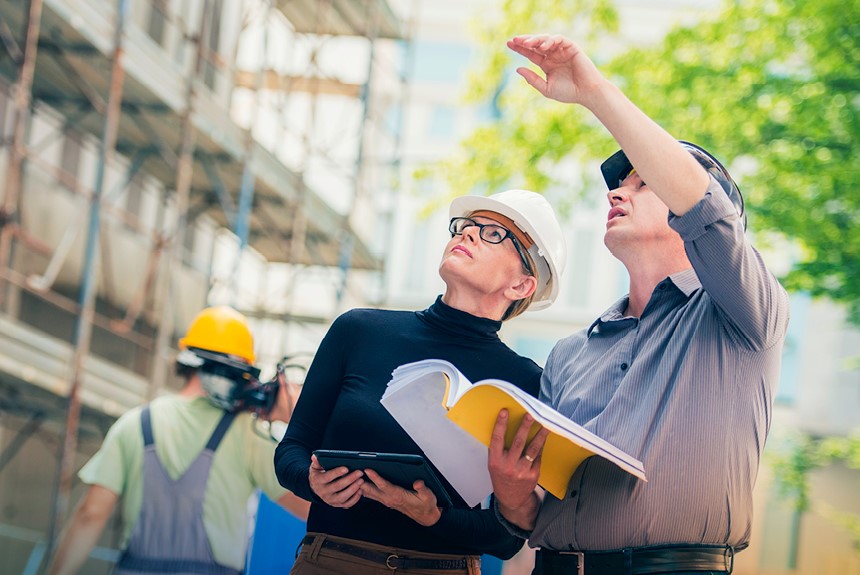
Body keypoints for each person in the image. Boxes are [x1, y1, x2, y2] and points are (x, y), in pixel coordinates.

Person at [487, 35, 790, 575]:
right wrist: (512, 494)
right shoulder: (569, 353)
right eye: (618, 185)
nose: (614, 194)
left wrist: (593, 92)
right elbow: (536, 517)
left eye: (642, 182)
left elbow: (704, 207)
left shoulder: (746, 316)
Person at [274, 190, 567, 575]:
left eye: (495, 233)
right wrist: (313, 483)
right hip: (330, 562)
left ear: (521, 286)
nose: (470, 235)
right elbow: (291, 449)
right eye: (467, 226)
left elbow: (506, 537)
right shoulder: (358, 330)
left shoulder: (525, 382)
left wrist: (435, 517)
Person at [47, 305, 310, 575]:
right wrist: (300, 422)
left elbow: (91, 514)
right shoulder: (247, 432)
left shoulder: (134, 423)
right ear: (235, 373)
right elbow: (310, 507)